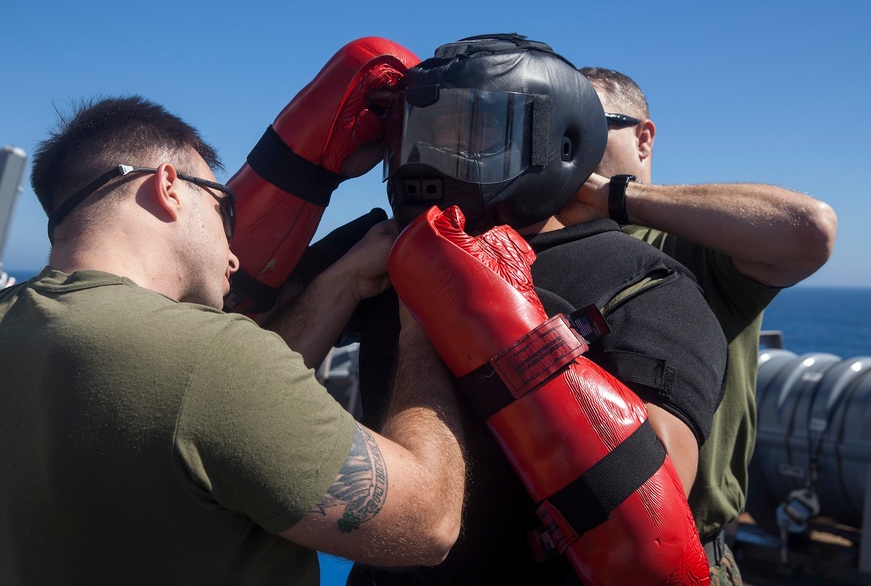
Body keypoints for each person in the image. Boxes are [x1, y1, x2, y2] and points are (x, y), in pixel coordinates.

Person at [0, 95, 467, 585]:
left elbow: (215, 414)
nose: (234, 255)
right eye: (224, 208)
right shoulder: (208, 359)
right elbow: (429, 523)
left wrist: (344, 281)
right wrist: (422, 315)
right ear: (169, 187)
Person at [349, 34, 729, 585]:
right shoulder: (376, 254)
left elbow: (657, 501)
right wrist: (334, 278)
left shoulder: (646, 285)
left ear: (556, 144)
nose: (434, 153)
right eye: (423, 130)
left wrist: (504, 329)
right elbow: (227, 350)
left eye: (471, 132)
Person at [567, 67, 838, 585]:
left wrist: (612, 198)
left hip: (686, 555)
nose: (571, 149)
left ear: (643, 138)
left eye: (590, 128)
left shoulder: (690, 251)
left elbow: (809, 231)